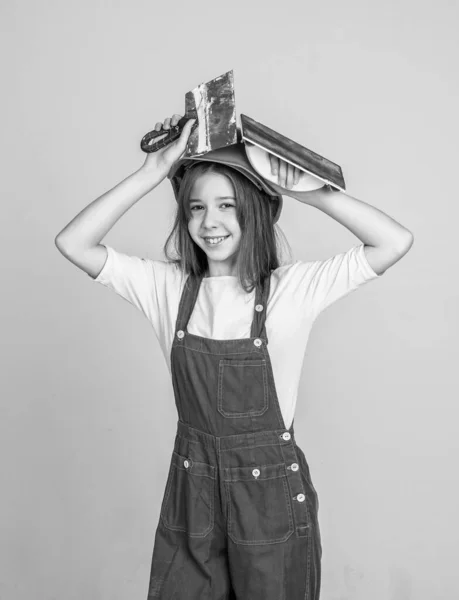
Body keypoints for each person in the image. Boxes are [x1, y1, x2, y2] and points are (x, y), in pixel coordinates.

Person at [55, 114, 414, 599]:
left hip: (268, 498)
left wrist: (305, 189)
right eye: (196, 208)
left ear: (255, 209)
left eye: (227, 205)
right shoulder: (168, 288)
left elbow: (394, 241)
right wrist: (152, 173)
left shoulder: (292, 291)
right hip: (193, 492)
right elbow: (73, 242)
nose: (210, 222)